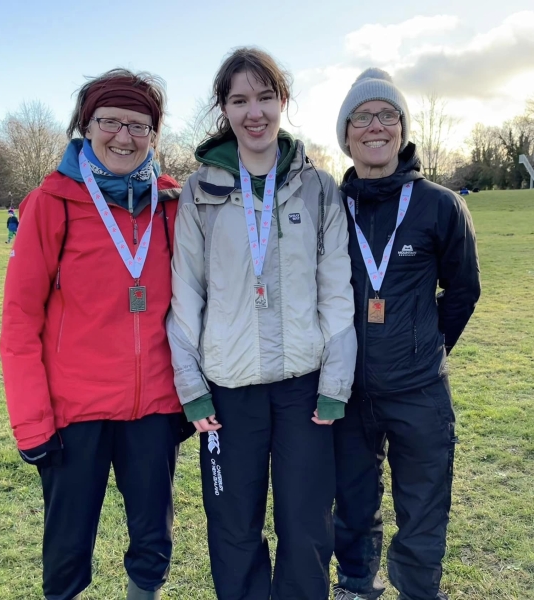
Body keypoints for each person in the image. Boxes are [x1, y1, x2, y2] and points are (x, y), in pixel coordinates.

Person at [167, 47, 357, 600]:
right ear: (223, 109)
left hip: (305, 392)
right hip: (228, 394)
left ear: (283, 102)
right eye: (240, 99)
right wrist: (193, 391)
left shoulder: (319, 188)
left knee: (306, 525)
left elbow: (336, 295)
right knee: (232, 527)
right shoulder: (200, 193)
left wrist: (335, 385)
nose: (255, 112)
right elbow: (186, 298)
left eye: (265, 97)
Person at [0, 68, 185, 600]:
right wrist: (32, 423)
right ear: (86, 125)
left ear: (154, 135)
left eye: (139, 126)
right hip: (72, 413)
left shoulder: (170, 206)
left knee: (153, 544)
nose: (123, 137)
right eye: (110, 122)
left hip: (153, 407)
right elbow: (18, 325)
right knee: (67, 550)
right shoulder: (51, 204)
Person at [331, 69, 480, 600]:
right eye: (362, 117)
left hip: (418, 391)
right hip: (345, 392)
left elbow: (463, 290)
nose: (376, 126)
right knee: (351, 503)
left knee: (422, 505)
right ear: (346, 133)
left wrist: (426, 347)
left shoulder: (440, 204)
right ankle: (355, 586)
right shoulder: (330, 207)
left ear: (403, 129)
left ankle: (418, 591)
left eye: (387, 115)